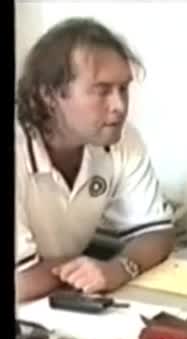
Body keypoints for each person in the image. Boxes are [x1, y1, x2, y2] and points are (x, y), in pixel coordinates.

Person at [15, 18, 176, 302]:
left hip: (56, 301)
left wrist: (119, 268)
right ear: (49, 95)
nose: (119, 106)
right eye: (102, 91)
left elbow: (157, 232)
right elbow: (21, 283)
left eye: (123, 89)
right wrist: (88, 268)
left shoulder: (120, 138)